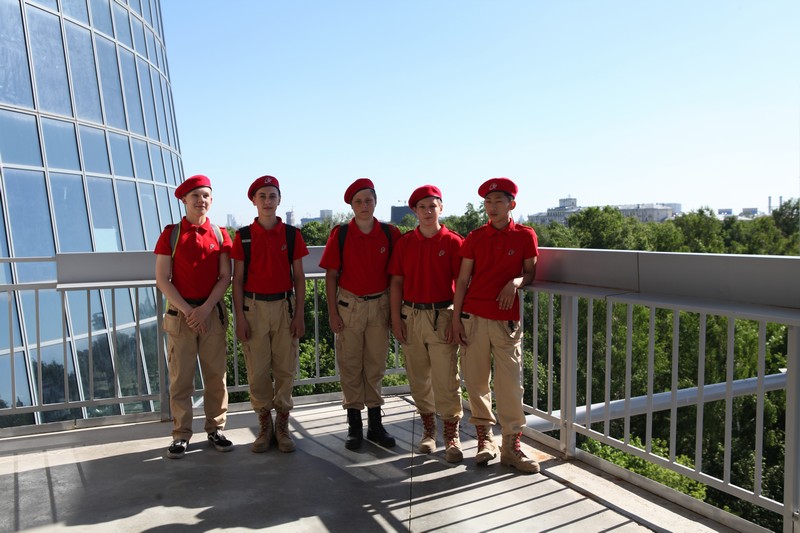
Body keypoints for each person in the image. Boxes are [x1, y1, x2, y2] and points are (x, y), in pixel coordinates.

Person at [451, 177, 541, 474]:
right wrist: (456, 319)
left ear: (511, 204)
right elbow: (462, 280)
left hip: (506, 322)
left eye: (498, 201)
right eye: (488, 202)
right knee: (477, 382)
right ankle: (484, 441)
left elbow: (530, 272)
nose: (492, 207)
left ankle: (511, 448)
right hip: (473, 318)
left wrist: (515, 282)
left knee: (510, 386)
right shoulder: (475, 237)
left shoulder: (525, 235)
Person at [154, 174, 233, 459]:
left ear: (212, 200)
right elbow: (162, 279)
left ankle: (216, 428)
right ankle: (181, 434)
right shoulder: (171, 235)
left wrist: (206, 308)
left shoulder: (220, 234)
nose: (202, 200)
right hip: (181, 316)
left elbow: (225, 276)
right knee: (181, 380)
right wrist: (190, 312)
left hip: (211, 313)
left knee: (216, 377)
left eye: (206, 196)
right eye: (196, 196)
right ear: (184, 200)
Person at [320, 178, 402, 450]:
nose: (364, 205)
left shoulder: (390, 234)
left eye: (368, 200)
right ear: (352, 206)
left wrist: (394, 313)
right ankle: (354, 426)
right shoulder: (341, 234)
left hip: (379, 305)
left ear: (376, 202)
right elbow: (331, 276)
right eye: (358, 201)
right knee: (350, 365)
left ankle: (375, 425)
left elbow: (397, 277)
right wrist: (332, 312)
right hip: (350, 306)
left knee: (375, 365)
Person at [232, 175, 308, 453]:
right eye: (262, 196)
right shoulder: (243, 236)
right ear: (254, 201)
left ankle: (282, 427)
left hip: (284, 307)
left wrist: (299, 314)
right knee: (258, 372)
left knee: (285, 369)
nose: (267, 201)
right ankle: (265, 427)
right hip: (253, 309)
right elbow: (237, 281)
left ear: (279, 200)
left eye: (272, 196)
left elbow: (299, 277)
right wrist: (240, 318)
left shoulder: (291, 234)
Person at [388, 185, 465, 463]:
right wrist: (395, 318)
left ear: (441, 208)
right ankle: (429, 430)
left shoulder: (454, 242)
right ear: (414, 211)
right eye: (422, 207)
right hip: (411, 315)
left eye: (433, 206)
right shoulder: (405, 243)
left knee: (447, 378)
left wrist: (456, 319)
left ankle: (452, 435)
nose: (428, 211)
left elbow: (462, 285)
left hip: (442, 314)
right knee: (418, 377)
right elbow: (396, 282)